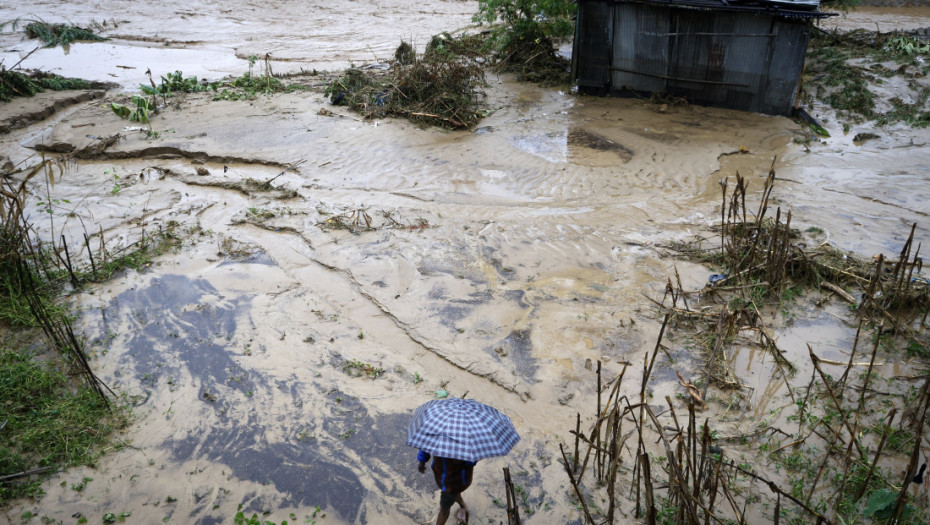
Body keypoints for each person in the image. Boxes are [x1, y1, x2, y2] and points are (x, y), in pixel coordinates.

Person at [417, 450, 475, 525]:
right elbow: (426, 445)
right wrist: (422, 461)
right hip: (443, 476)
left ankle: (463, 507)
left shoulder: (465, 444)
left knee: (444, 511)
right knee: (453, 494)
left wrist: (463, 460)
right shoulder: (437, 438)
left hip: (455, 482)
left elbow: (475, 456)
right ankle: (463, 506)